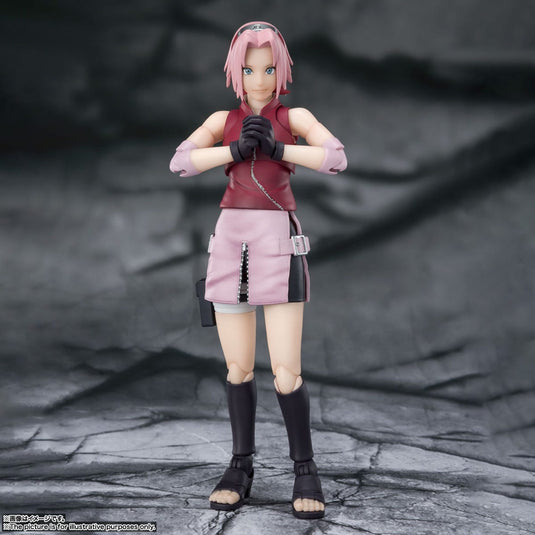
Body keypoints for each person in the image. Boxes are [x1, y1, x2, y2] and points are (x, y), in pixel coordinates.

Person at [170, 21, 347, 520]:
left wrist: (278, 149)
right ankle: (240, 465)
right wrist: (233, 151)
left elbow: (336, 158)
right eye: (250, 70)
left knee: (287, 370)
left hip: (277, 244)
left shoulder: (294, 116)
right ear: (236, 72)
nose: (260, 79)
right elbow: (179, 163)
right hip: (230, 243)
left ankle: (305, 468)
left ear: (281, 70)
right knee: (238, 368)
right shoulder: (222, 119)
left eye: (269, 69)